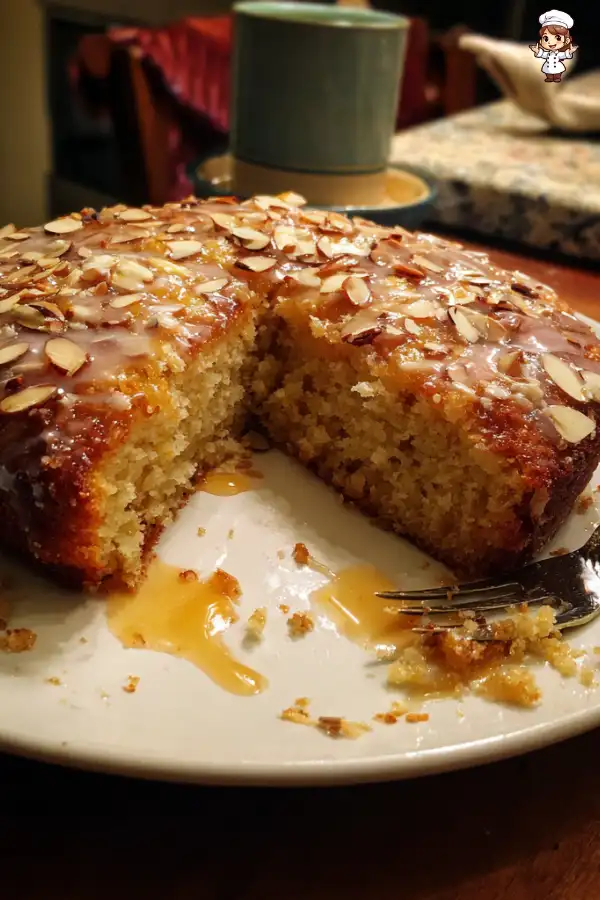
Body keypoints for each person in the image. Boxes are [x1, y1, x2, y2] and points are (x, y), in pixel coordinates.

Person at [530, 9, 578, 82]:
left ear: (567, 41)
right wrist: (538, 51)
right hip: (548, 67)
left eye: (558, 38)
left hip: (557, 67)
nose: (551, 42)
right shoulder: (547, 53)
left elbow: (564, 55)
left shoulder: (559, 54)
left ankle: (556, 77)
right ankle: (549, 77)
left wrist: (569, 52)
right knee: (548, 72)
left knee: (557, 73)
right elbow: (543, 54)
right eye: (546, 38)